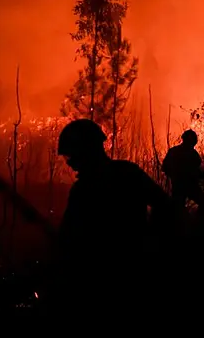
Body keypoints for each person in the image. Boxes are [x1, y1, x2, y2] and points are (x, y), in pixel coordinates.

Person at [50, 118, 172, 314]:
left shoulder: (84, 189)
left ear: (86, 151)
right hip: (132, 272)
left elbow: (69, 238)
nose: (70, 163)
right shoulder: (128, 172)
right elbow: (164, 205)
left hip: (101, 280)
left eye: (72, 156)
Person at [162, 129, 204, 215]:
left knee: (202, 202)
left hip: (183, 186)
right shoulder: (190, 154)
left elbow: (165, 168)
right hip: (184, 186)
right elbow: (165, 168)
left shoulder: (175, 151)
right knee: (202, 202)